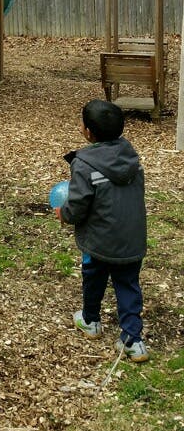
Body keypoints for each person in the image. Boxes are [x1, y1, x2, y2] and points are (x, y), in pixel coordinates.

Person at [54, 99, 149, 363]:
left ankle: (90, 320)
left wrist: (65, 214)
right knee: (128, 285)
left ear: (87, 131)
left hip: (99, 240)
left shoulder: (85, 165)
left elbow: (78, 204)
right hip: (132, 237)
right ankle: (133, 340)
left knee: (93, 277)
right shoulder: (131, 158)